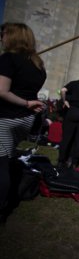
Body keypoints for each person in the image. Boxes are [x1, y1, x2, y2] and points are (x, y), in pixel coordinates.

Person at [0, 23, 46, 219]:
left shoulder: (8, 59)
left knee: (1, 165)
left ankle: (1, 208)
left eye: (3, 34)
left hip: (6, 117)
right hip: (25, 120)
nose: (1, 38)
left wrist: (26, 103)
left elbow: (2, 91)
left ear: (12, 37)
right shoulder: (38, 65)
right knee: (8, 159)